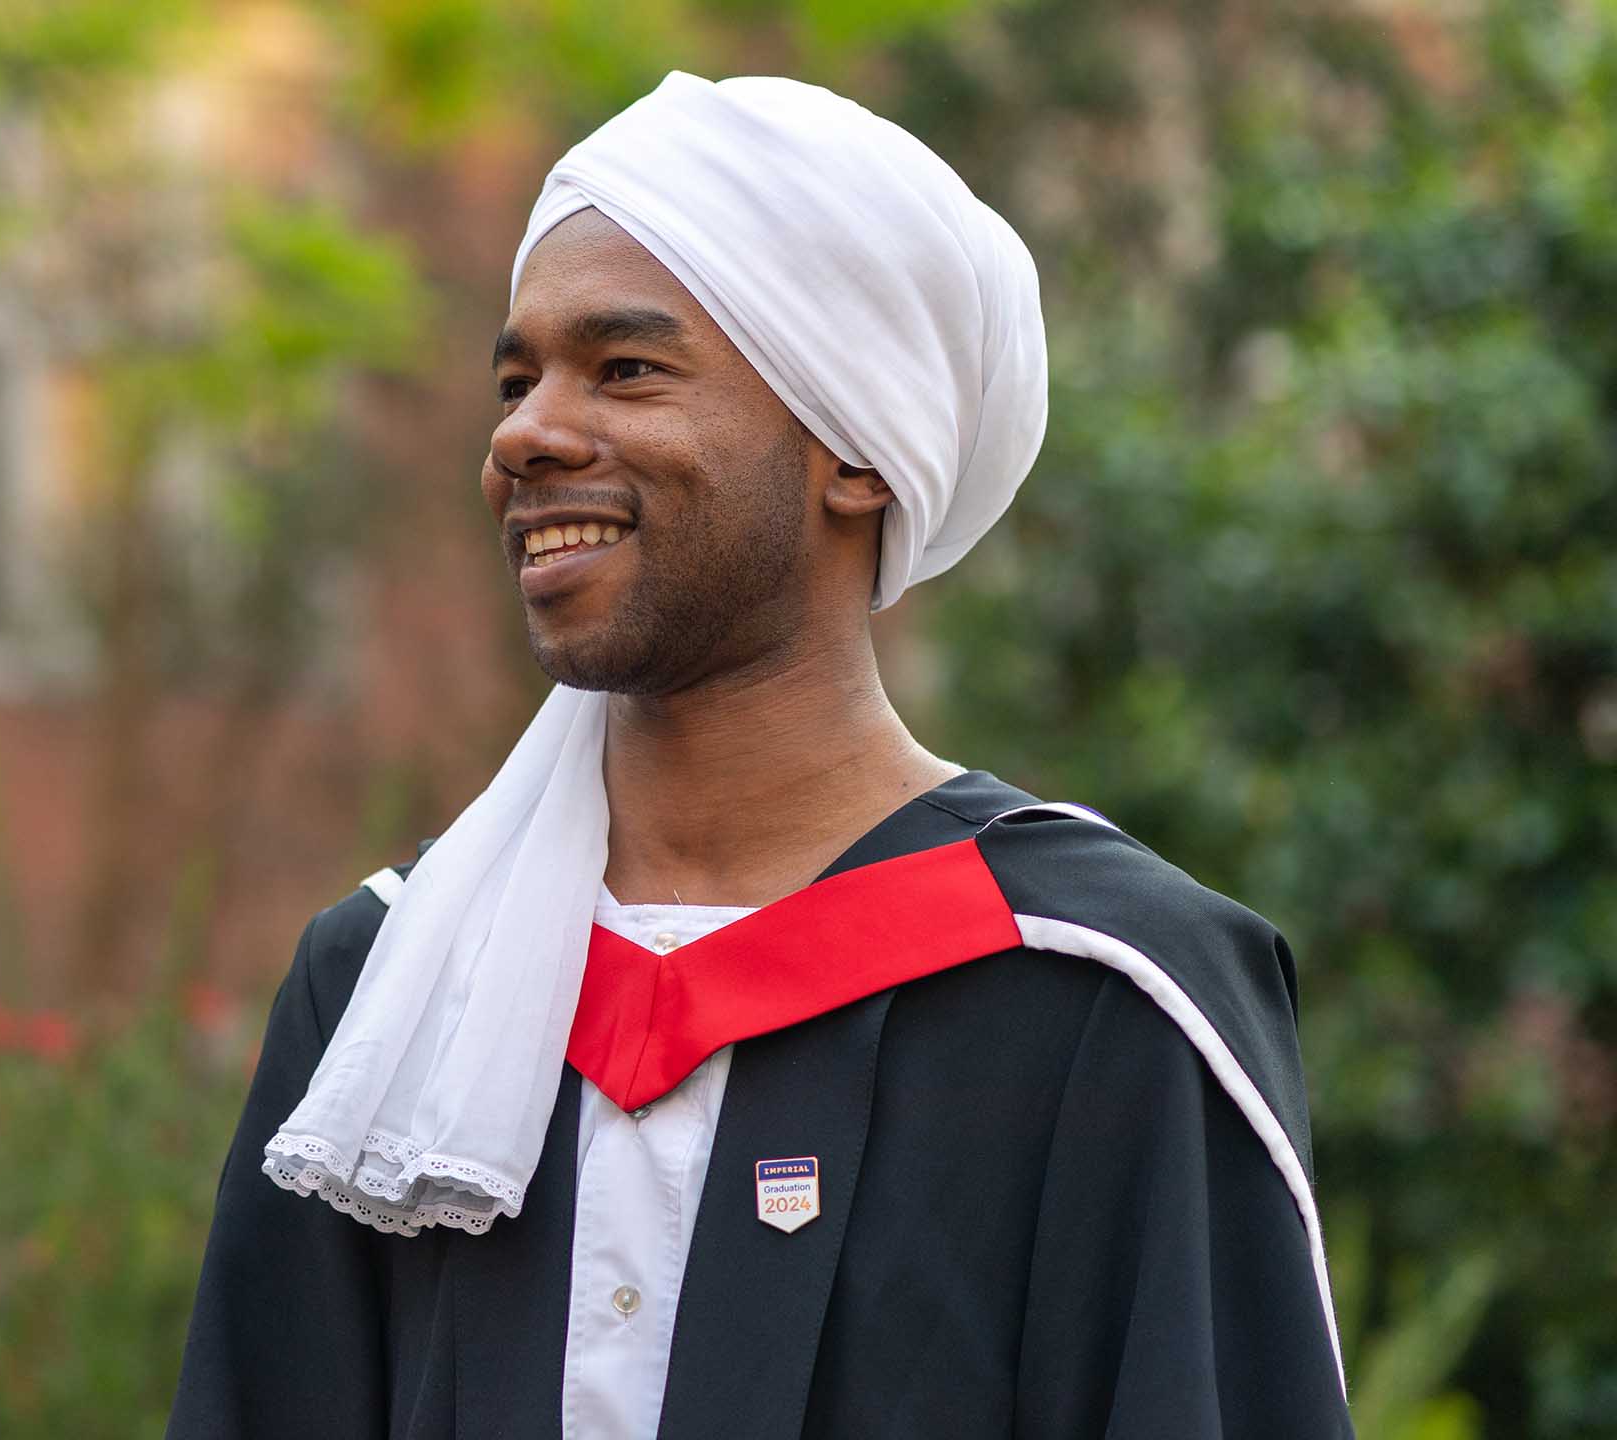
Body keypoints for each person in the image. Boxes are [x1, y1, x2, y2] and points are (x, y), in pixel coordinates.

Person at [167, 72, 1352, 1439]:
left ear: (853, 452)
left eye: (625, 368)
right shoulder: (390, 984)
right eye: (516, 378)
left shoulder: (1107, 1001)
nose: (521, 434)